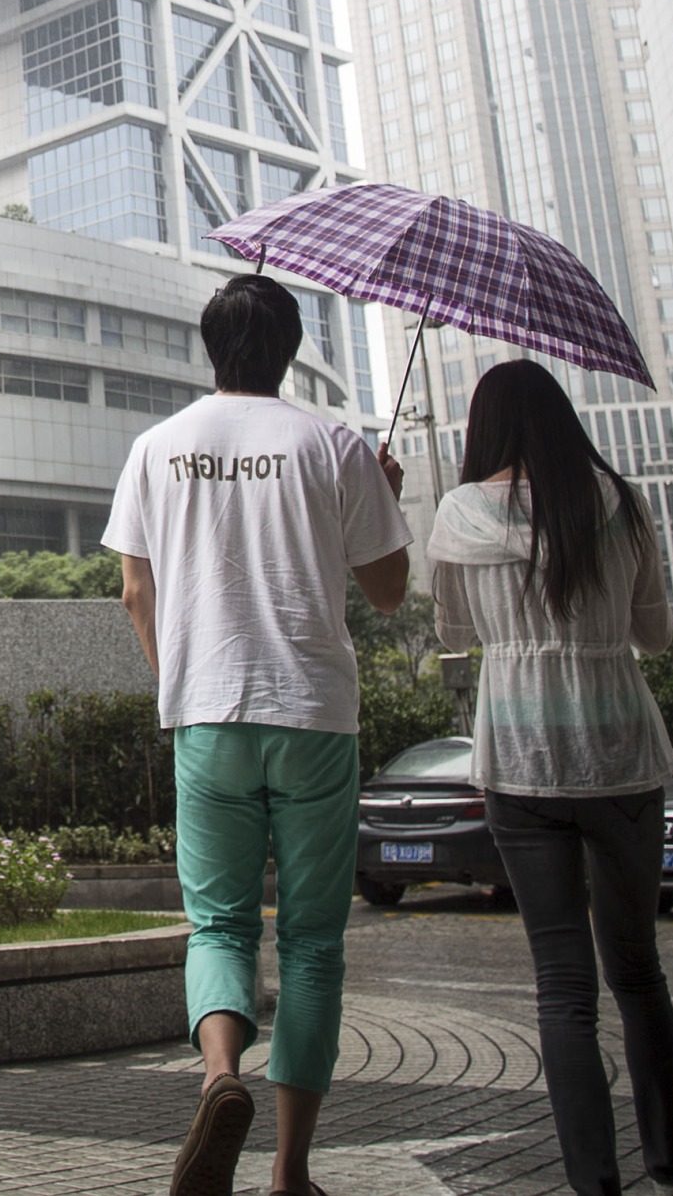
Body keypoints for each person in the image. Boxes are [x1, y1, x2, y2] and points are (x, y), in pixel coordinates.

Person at [104, 272, 410, 1196]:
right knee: (313, 943)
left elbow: (135, 592)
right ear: (291, 349)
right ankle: (290, 1170)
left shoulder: (155, 447)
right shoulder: (334, 444)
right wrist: (385, 496)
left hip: (208, 712)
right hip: (313, 714)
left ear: (210, 346)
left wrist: (181, 683)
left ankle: (218, 1079)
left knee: (220, 925)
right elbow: (388, 592)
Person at [429, 359, 673, 1195]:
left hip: (520, 762)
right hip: (621, 756)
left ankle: (594, 1183)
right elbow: (655, 636)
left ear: (485, 428)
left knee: (563, 984)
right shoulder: (621, 500)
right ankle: (672, 1158)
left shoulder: (459, 513)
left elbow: (453, 636)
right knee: (638, 968)